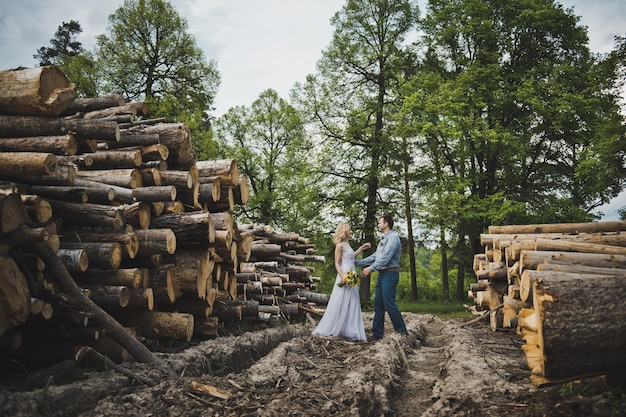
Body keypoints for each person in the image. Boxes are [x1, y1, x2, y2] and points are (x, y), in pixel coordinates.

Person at [312, 223, 371, 341]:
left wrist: (361, 248)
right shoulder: (339, 246)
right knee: (341, 300)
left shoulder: (347, 245)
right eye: (349, 230)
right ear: (344, 231)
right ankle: (335, 326)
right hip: (344, 273)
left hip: (352, 273)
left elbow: (351, 258)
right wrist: (342, 276)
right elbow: (337, 263)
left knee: (353, 300)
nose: (351, 231)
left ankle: (351, 329)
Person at [356, 214, 408, 341]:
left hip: (390, 274)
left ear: (386, 224)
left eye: (380, 222)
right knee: (378, 304)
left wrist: (371, 268)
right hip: (382, 274)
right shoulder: (383, 240)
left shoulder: (393, 238)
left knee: (389, 303)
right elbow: (375, 257)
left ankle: (402, 333)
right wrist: (357, 262)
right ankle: (377, 334)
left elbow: (386, 258)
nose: (378, 225)